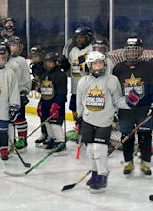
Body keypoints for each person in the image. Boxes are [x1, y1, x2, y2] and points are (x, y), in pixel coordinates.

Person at [77, 51, 135, 193]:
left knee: (99, 149)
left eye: (100, 63)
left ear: (104, 64)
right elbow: (80, 101)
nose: (98, 67)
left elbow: (117, 100)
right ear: (90, 66)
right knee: (90, 149)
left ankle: (103, 175)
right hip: (88, 119)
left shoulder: (112, 80)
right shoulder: (83, 81)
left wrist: (129, 101)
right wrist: (79, 116)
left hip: (104, 120)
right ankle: (95, 172)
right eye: (95, 64)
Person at [112, 37, 153, 177]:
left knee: (145, 136)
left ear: (140, 52)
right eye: (129, 50)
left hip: (144, 109)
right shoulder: (118, 68)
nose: (132, 53)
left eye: (135, 50)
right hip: (126, 110)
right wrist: (115, 107)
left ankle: (145, 163)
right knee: (127, 137)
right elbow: (115, 90)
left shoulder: (149, 66)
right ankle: (128, 161)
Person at [37, 52, 67, 155]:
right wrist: (40, 104)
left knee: (55, 123)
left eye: (51, 62)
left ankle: (61, 142)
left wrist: (57, 104)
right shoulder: (44, 75)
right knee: (47, 122)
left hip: (56, 103)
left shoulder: (61, 75)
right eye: (47, 62)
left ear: (56, 63)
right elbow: (42, 92)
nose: (48, 64)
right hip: (46, 102)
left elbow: (62, 92)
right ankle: (52, 138)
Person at [5, 36, 31, 153]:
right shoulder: (4, 59)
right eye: (12, 45)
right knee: (8, 119)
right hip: (6, 94)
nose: (14, 48)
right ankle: (9, 141)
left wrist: (25, 90)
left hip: (18, 93)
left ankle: (22, 139)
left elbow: (26, 77)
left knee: (20, 118)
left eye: (16, 45)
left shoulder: (21, 60)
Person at [28, 46, 49, 146]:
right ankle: (44, 133)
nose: (34, 58)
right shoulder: (34, 66)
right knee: (42, 112)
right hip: (43, 94)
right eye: (33, 56)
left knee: (50, 115)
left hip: (51, 94)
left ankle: (51, 135)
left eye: (36, 56)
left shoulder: (46, 66)